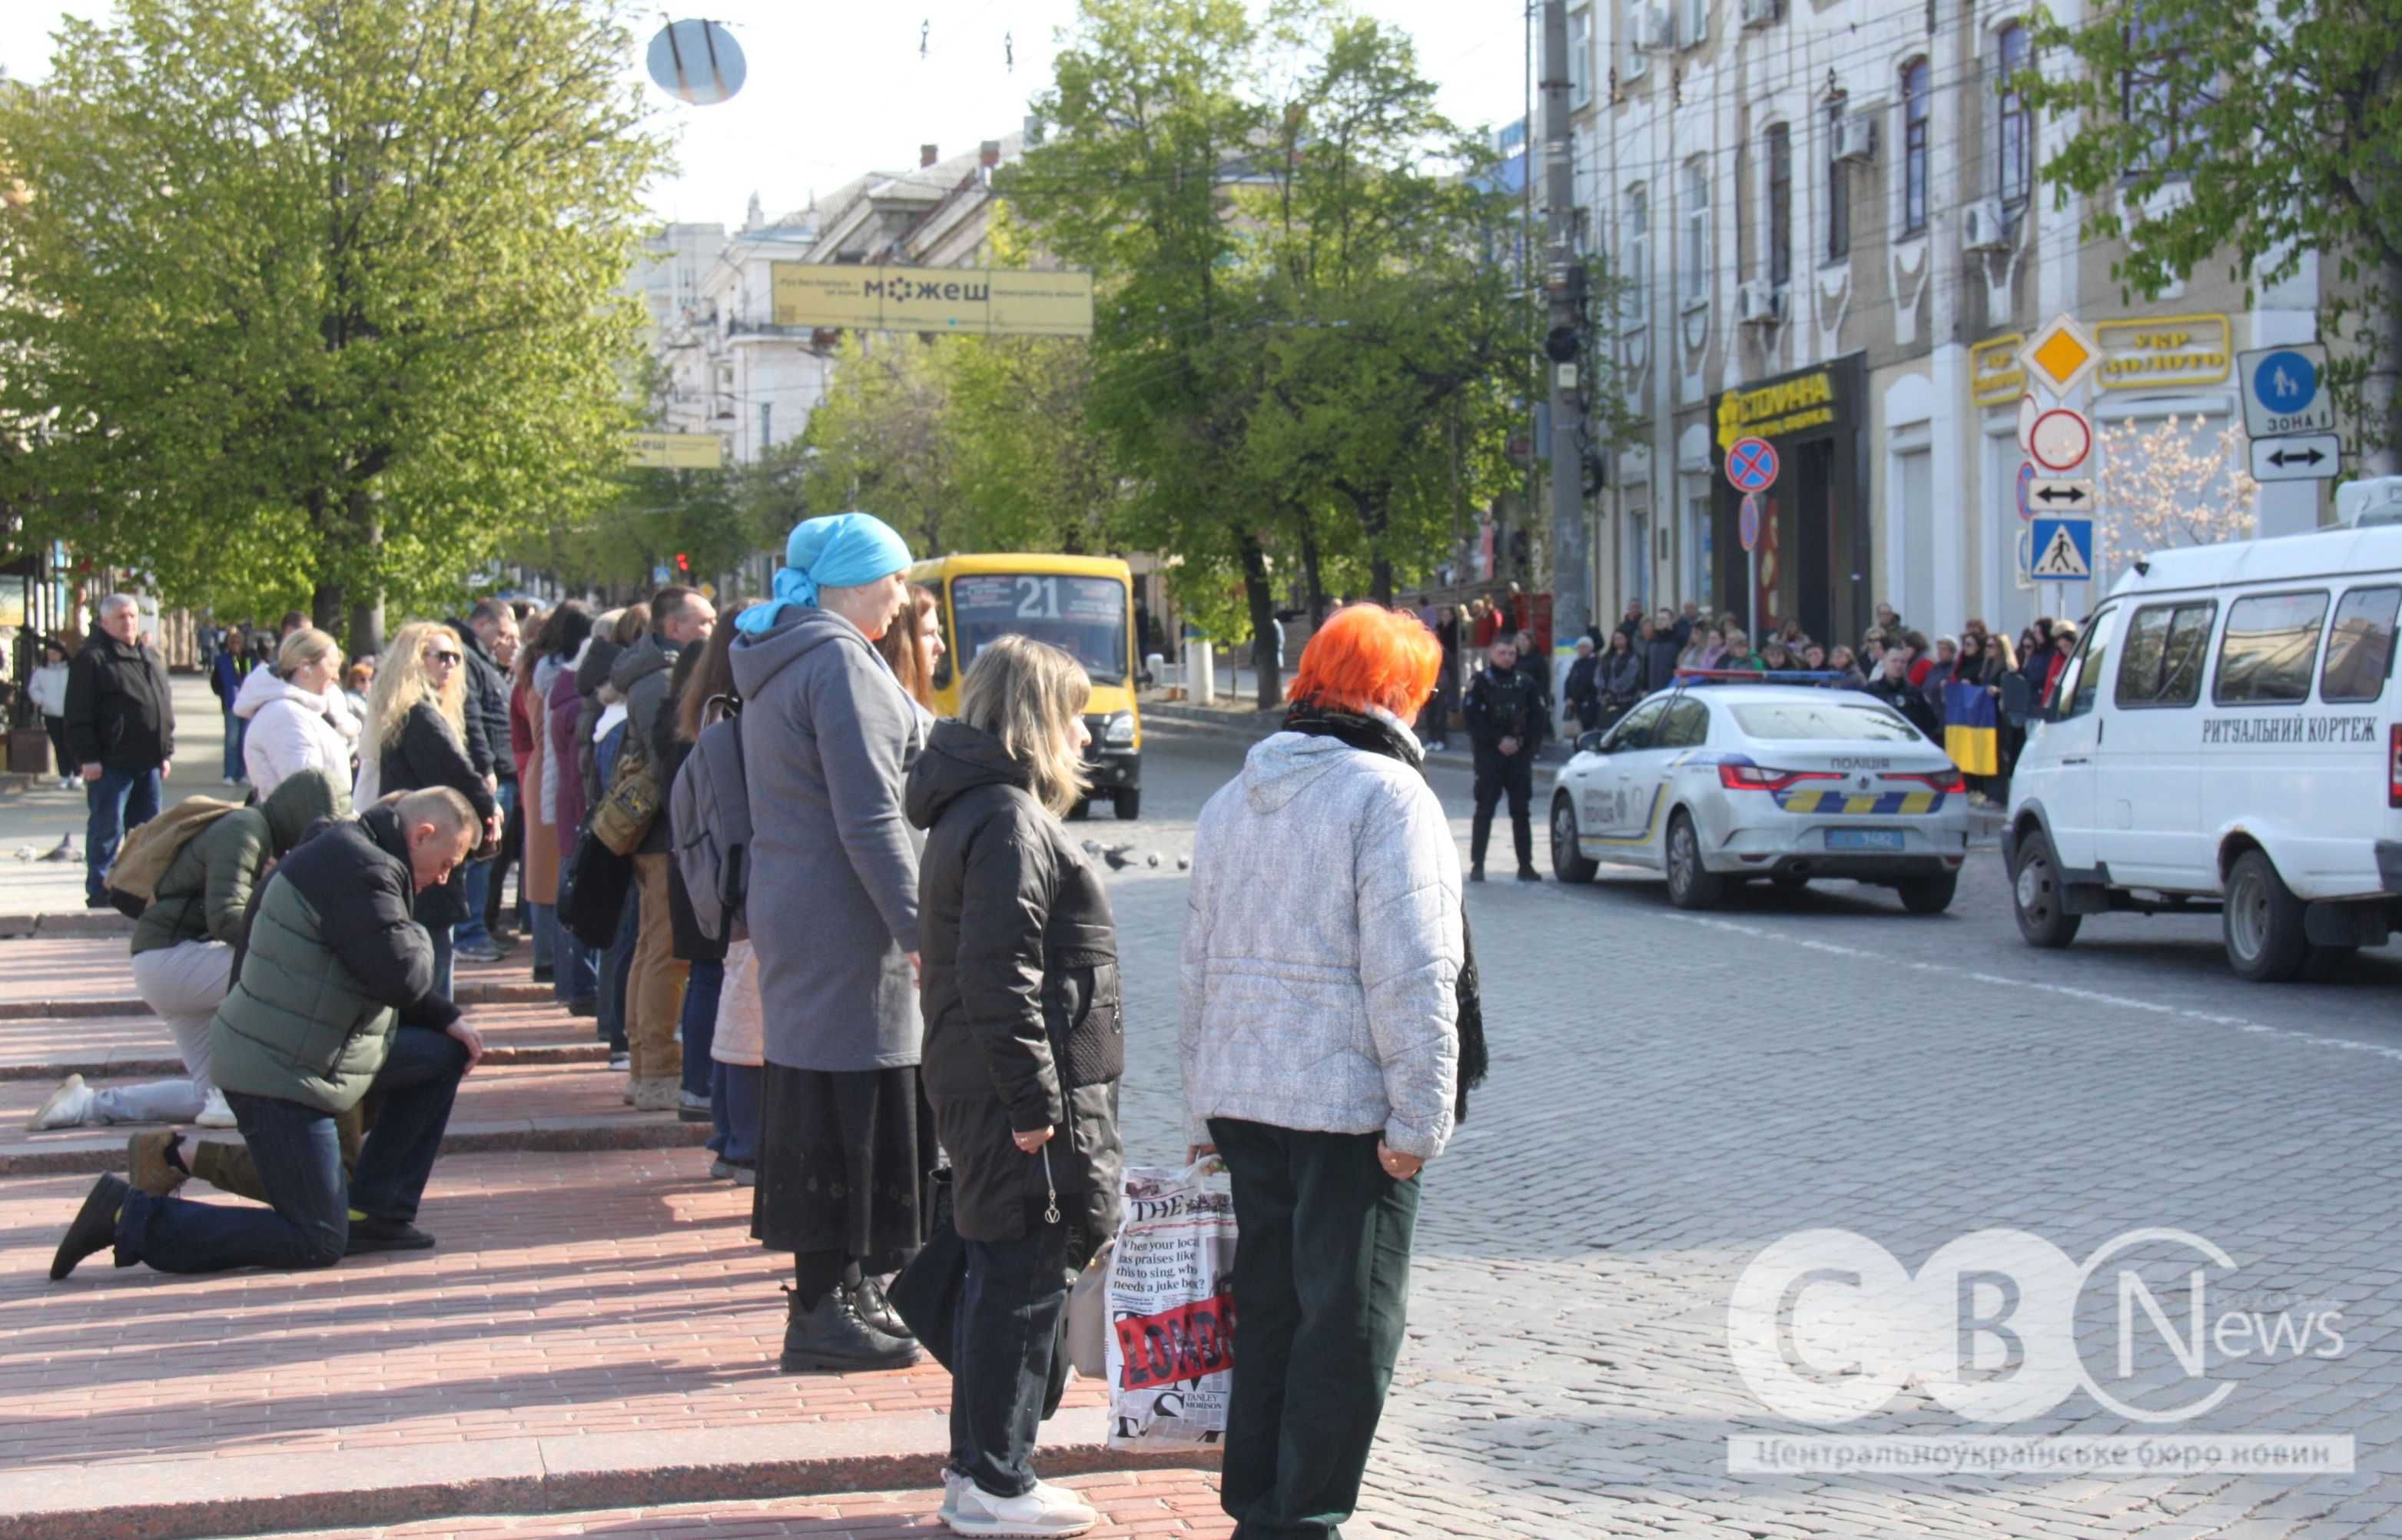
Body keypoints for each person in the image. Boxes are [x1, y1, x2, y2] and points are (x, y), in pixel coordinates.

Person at [1180, 604, 1476, 1540]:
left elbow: (1196, 961)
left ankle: (1258, 1505)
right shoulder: (1390, 797)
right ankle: (1306, 1518)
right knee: (1350, 1323)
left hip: (1245, 1096)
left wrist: (1201, 1101)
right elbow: (1415, 967)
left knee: (1270, 1305)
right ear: (1394, 694)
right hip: (1347, 1105)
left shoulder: (1232, 799)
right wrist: (1421, 1115)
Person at [49, 788, 486, 1282]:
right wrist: (422, 933)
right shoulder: (361, 867)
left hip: (313, 1055)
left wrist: (446, 1018)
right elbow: (404, 973)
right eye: (448, 862)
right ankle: (131, 1217)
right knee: (316, 1239)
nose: (446, 877)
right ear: (422, 833)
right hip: (279, 1076)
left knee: (442, 1054)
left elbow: (378, 959)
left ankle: (376, 1214)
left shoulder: (353, 855)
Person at [908, 635, 1126, 1537]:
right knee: (1021, 1277)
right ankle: (997, 1480)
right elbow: (1002, 973)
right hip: (1017, 1094)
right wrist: (1035, 1105)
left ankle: (982, 1472)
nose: (1085, 734)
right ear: (1038, 718)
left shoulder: (983, 809)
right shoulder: (1004, 818)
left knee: (1009, 1271)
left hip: (994, 1080)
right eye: (1073, 714)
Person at [730, 513, 933, 1373]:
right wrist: (920, 927)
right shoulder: (839, 661)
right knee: (846, 1105)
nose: (899, 596)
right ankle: (824, 1305)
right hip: (849, 921)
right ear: (856, 581)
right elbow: (872, 814)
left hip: (801, 906)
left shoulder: (785, 652)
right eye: (892, 579)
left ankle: (844, 1289)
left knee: (828, 1093)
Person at [26, 769, 346, 1136]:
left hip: (167, 964)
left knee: (204, 1094)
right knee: (289, 971)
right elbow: (227, 919)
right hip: (173, 960)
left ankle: (84, 1105)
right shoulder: (246, 829)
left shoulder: (250, 829)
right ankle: (233, 1093)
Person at [614, 586, 717, 1111]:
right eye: (702, 622)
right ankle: (656, 1066)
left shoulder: (650, 676)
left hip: (657, 833)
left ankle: (646, 1061)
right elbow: (669, 761)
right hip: (663, 836)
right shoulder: (661, 683)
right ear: (672, 628)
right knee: (665, 953)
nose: (712, 629)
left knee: (653, 949)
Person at [360, 622, 499, 1001]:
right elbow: (457, 773)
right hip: (425, 850)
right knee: (430, 971)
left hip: (419, 849)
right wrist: (490, 811)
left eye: (456, 657)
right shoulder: (418, 715)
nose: (451, 664)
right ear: (413, 661)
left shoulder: (415, 711)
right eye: (440, 655)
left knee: (428, 960)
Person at [669, 601, 754, 1137]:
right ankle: (724, 1119)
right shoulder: (732, 713)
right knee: (731, 991)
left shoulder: (704, 704)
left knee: (717, 983)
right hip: (728, 868)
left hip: (703, 863)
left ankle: (711, 1104)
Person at [67, 595, 176, 910]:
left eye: (131, 616)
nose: (128, 622)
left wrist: (165, 752)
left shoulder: (148, 656)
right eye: (120, 617)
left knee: (148, 833)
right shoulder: (93, 659)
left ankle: (141, 889)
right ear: (104, 623)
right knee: (107, 829)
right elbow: (78, 714)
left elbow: (162, 705)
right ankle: (99, 889)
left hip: (149, 763)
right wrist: (88, 757)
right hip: (110, 765)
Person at [446, 601, 520, 966]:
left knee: (490, 857)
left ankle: (480, 926)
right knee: (480, 856)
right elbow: (473, 716)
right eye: (502, 632)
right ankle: (470, 932)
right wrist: (486, 766)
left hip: (498, 768)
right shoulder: (468, 659)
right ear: (482, 624)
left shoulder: (480, 659)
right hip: (489, 771)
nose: (505, 641)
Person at [1462, 635, 1547, 883]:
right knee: (1485, 809)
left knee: (1521, 811)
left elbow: (1538, 718)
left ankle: (1526, 865)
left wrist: (1522, 743)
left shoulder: (1526, 683)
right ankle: (1478, 865)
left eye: (1511, 653)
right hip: (1490, 755)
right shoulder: (1480, 683)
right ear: (1492, 654)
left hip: (1519, 756)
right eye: (1502, 653)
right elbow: (1472, 719)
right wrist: (1497, 741)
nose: (1508, 657)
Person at [238, 629, 360, 799]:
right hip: (309, 824)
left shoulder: (295, 712)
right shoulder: (286, 718)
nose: (336, 676)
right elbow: (308, 798)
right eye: (332, 666)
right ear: (305, 667)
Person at [874, 583, 945, 727]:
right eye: (929, 634)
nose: (941, 647)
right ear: (902, 642)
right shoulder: (887, 714)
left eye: (938, 633)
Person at [208, 627, 258, 785]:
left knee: (245, 740)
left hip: (248, 705)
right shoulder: (223, 660)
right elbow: (215, 682)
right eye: (233, 642)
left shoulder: (250, 659)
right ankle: (229, 774)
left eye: (238, 642)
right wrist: (223, 694)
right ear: (229, 644)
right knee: (232, 740)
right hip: (231, 705)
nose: (236, 645)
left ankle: (242, 774)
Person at [28, 636, 73, 790]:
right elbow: (33, 689)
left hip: (70, 713)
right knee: (59, 745)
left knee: (72, 744)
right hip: (51, 713)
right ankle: (65, 775)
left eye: (55, 653)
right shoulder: (41, 672)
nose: (52, 656)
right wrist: (43, 700)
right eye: (50, 653)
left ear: (62, 654)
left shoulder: (71, 670)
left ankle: (78, 774)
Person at [1867, 647, 1942, 738]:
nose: (1898, 665)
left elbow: (1930, 724)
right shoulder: (1871, 692)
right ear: (1884, 663)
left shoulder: (1915, 693)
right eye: (1894, 661)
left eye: (1902, 662)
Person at [1599, 629, 1644, 718]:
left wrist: (1614, 690)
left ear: (1626, 639)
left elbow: (1630, 677)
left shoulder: (1633, 656)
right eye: (1615, 639)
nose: (1618, 641)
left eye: (1620, 638)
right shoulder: (1607, 657)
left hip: (1626, 700)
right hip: (1607, 700)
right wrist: (1604, 690)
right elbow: (1599, 675)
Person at [1561, 635, 1601, 737]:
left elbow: (1587, 682)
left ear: (1590, 648)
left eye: (1584, 647)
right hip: (1574, 704)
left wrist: (1574, 698)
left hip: (1587, 702)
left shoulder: (1594, 662)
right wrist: (1567, 697)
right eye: (1579, 647)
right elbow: (1569, 680)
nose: (1581, 650)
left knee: (1587, 730)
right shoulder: (1577, 663)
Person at [1643, 606, 1689, 691]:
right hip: (1653, 688)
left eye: (1663, 619)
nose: (1660, 622)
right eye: (1658, 619)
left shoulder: (1680, 639)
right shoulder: (1653, 640)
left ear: (1672, 621)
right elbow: (1646, 665)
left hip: (1672, 687)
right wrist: (1644, 687)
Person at [341, 659, 375, 724]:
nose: (367, 683)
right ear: (354, 681)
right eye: (363, 680)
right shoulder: (348, 698)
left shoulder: (370, 698)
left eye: (370, 679)